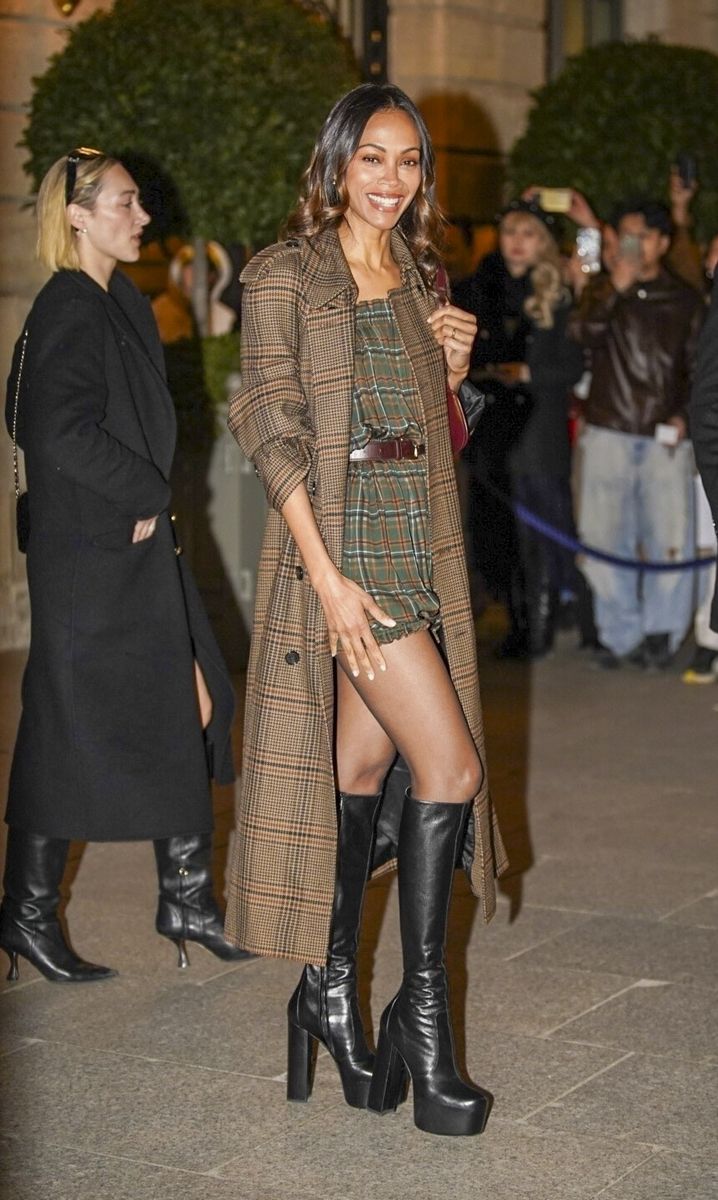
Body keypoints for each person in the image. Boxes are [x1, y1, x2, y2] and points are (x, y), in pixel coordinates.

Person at [224, 83, 507, 1137]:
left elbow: (433, 437)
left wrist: (451, 372)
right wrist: (329, 579)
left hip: (414, 539)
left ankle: (327, 988)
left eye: (408, 163)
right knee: (454, 769)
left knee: (365, 769)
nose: (391, 181)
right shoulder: (286, 274)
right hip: (342, 558)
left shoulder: (424, 280)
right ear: (337, 163)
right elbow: (270, 424)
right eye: (372, 159)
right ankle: (421, 1029)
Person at [0, 149, 248, 983]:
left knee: (199, 696)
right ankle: (29, 915)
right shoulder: (71, 304)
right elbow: (49, 427)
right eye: (126, 203)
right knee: (66, 728)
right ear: (77, 214)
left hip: (129, 549)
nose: (142, 217)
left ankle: (184, 897)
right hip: (97, 557)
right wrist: (140, 487)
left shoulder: (113, 300)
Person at [569, 199, 704, 669]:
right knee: (604, 538)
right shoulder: (606, 290)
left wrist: (686, 415)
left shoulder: (686, 301)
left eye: (643, 235)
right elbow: (580, 333)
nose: (633, 245)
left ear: (663, 242)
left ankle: (662, 634)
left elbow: (702, 371)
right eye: (626, 235)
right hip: (607, 428)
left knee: (670, 538)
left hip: (665, 437)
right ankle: (618, 633)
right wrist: (614, 290)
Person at [454, 198, 585, 657]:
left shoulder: (559, 292)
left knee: (542, 530)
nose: (516, 243)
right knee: (492, 531)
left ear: (544, 242)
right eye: (510, 231)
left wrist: (527, 374)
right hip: (489, 426)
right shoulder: (474, 290)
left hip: (539, 427)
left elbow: (574, 363)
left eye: (528, 234)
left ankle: (543, 623)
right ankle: (513, 618)